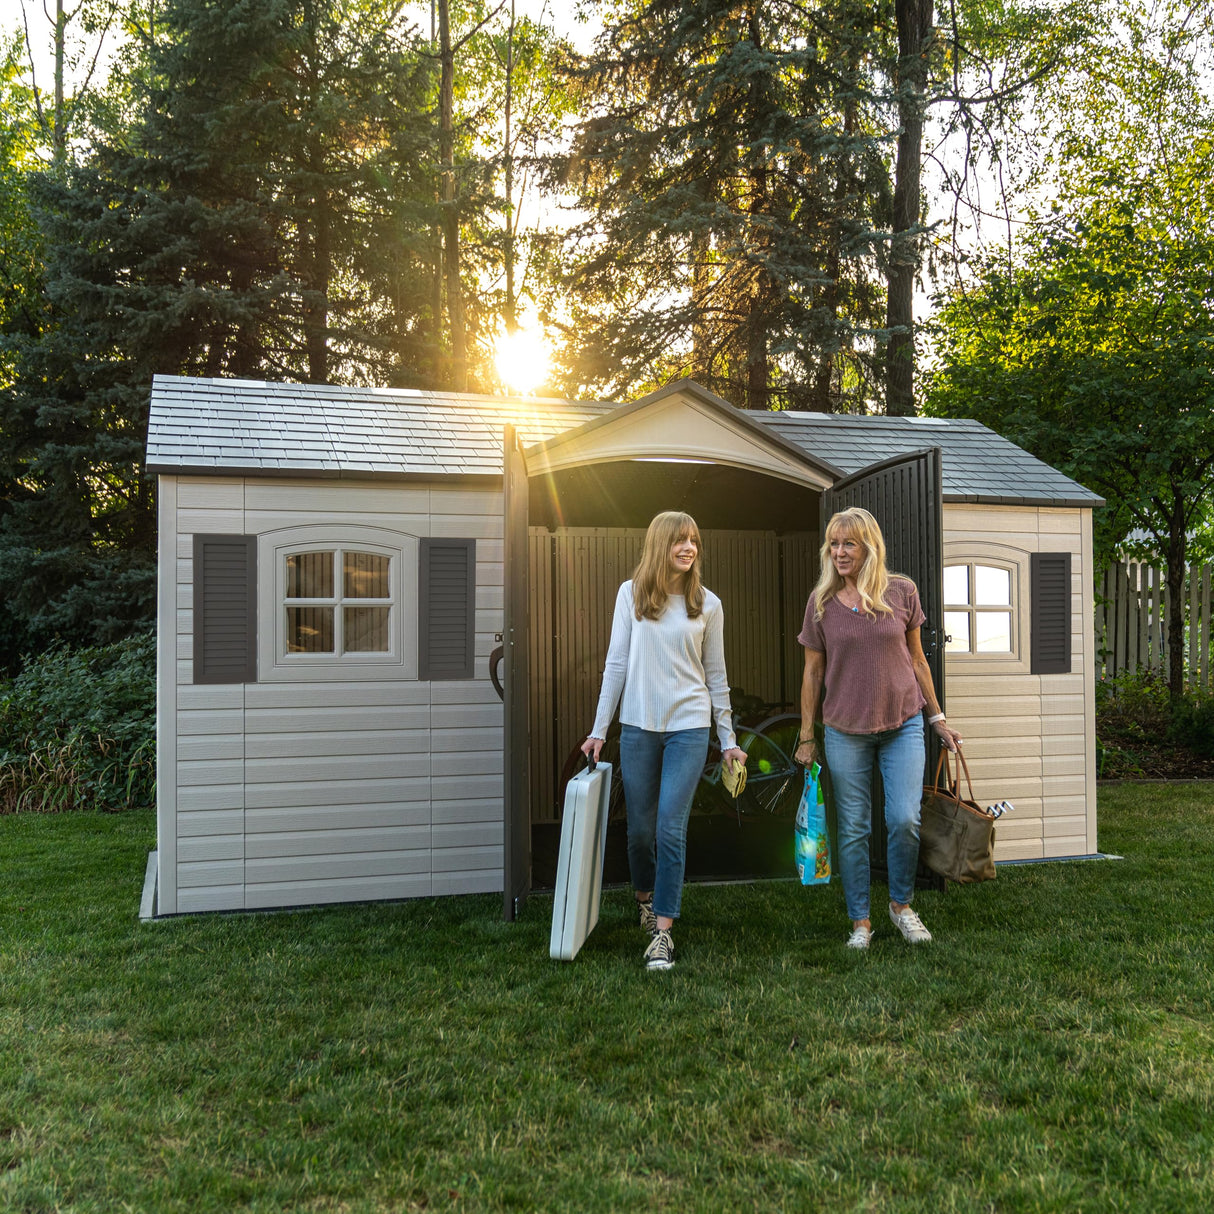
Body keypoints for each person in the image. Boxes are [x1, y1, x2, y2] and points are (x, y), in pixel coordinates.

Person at [581, 511, 747, 971]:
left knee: (670, 828)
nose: (689, 548)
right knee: (639, 832)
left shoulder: (708, 605)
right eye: (679, 540)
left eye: (693, 540)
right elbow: (616, 665)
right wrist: (599, 730)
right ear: (660, 545)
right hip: (638, 727)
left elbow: (716, 676)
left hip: (689, 728)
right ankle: (644, 899)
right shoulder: (631, 595)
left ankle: (663, 932)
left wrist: (728, 739)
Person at [794, 507, 963, 950]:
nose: (839, 552)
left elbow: (917, 659)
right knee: (854, 827)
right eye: (833, 544)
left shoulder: (902, 591)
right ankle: (860, 922)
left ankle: (901, 906)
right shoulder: (821, 603)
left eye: (848, 543)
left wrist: (937, 718)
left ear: (869, 547)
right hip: (845, 730)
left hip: (903, 723)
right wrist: (807, 735)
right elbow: (812, 672)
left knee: (904, 819)